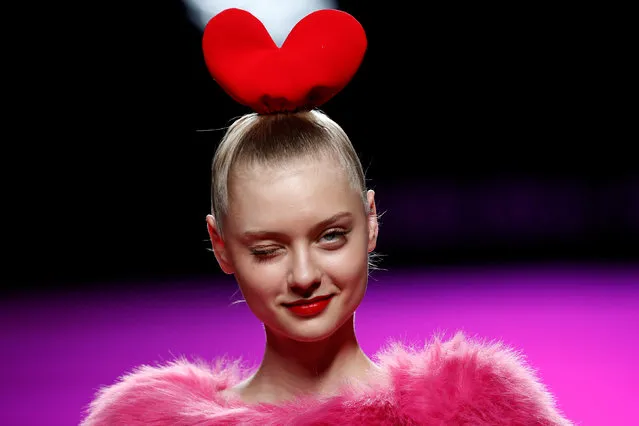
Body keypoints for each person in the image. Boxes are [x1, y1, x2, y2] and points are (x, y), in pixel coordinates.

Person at [80, 8, 573, 425]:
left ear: (371, 220)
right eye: (267, 249)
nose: (304, 276)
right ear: (221, 245)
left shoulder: (477, 410)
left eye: (332, 236)